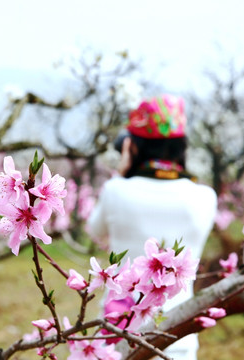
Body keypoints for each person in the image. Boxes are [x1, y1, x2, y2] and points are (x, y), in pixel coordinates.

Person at [87, 94, 217, 360]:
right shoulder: (205, 197)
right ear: (182, 146)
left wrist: (122, 174)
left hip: (117, 330)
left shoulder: (116, 190)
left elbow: (94, 230)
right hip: (177, 335)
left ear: (132, 146)